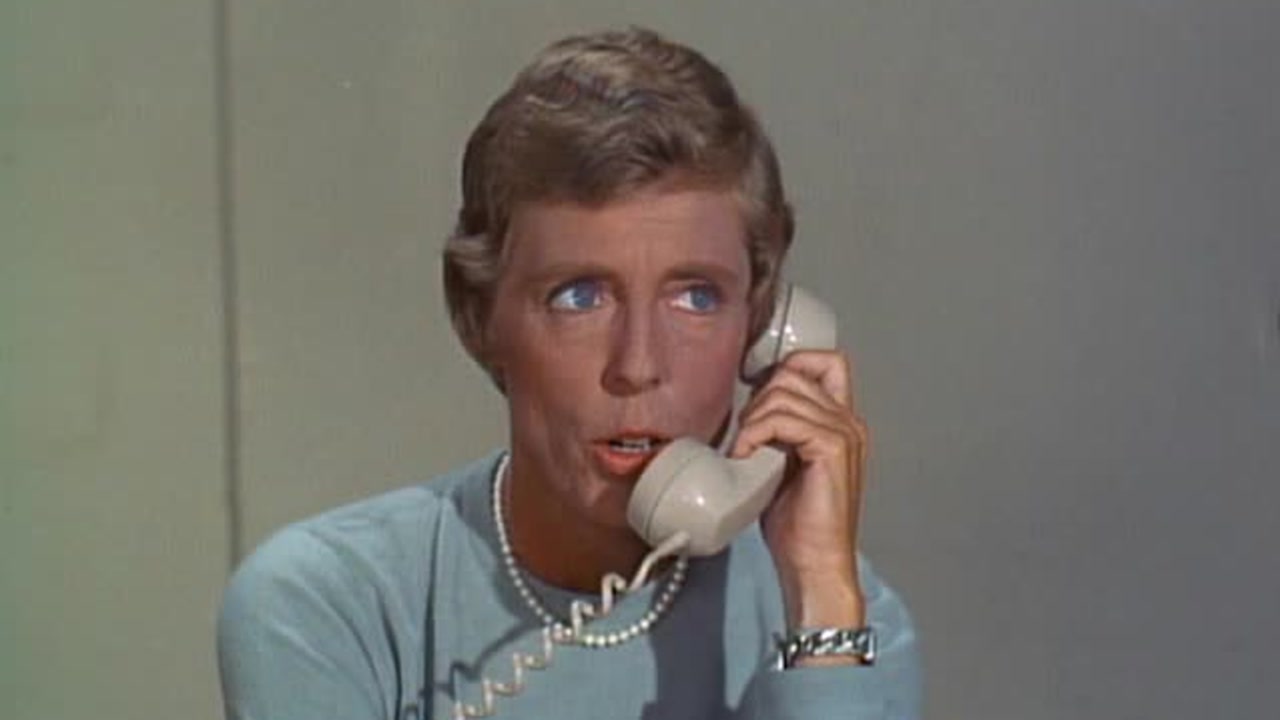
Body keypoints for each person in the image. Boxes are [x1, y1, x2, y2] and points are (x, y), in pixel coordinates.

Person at [217, 26, 922, 720]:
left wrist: (820, 601)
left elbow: (833, 629)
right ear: (478, 315)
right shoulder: (328, 605)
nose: (638, 365)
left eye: (696, 298)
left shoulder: (840, 621)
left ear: (761, 323)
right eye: (580, 297)